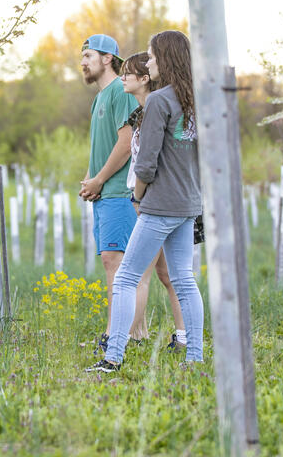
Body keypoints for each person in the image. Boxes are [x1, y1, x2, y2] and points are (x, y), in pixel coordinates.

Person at [85, 30, 203, 373]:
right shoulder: (193, 101)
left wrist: (137, 197)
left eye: (151, 57)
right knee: (184, 278)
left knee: (125, 279)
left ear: (164, 59)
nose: (147, 63)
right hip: (188, 204)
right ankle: (194, 357)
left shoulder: (159, 101)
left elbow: (146, 163)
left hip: (159, 205)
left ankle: (113, 357)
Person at [118, 51, 187, 350]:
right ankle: (181, 335)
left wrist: (138, 196)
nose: (123, 78)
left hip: (152, 199)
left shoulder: (157, 110)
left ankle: (128, 336)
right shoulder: (139, 114)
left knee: (137, 273)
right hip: (157, 197)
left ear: (145, 78)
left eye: (128, 73)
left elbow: (149, 162)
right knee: (166, 273)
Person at [78, 34, 139, 353]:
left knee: (117, 263)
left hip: (118, 193)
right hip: (103, 193)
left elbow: (127, 143)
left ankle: (116, 338)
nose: (83, 62)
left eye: (88, 55)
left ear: (107, 58)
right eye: (82, 57)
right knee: (109, 262)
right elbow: (100, 147)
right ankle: (117, 333)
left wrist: (100, 180)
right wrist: (90, 178)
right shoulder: (98, 98)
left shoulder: (120, 92)